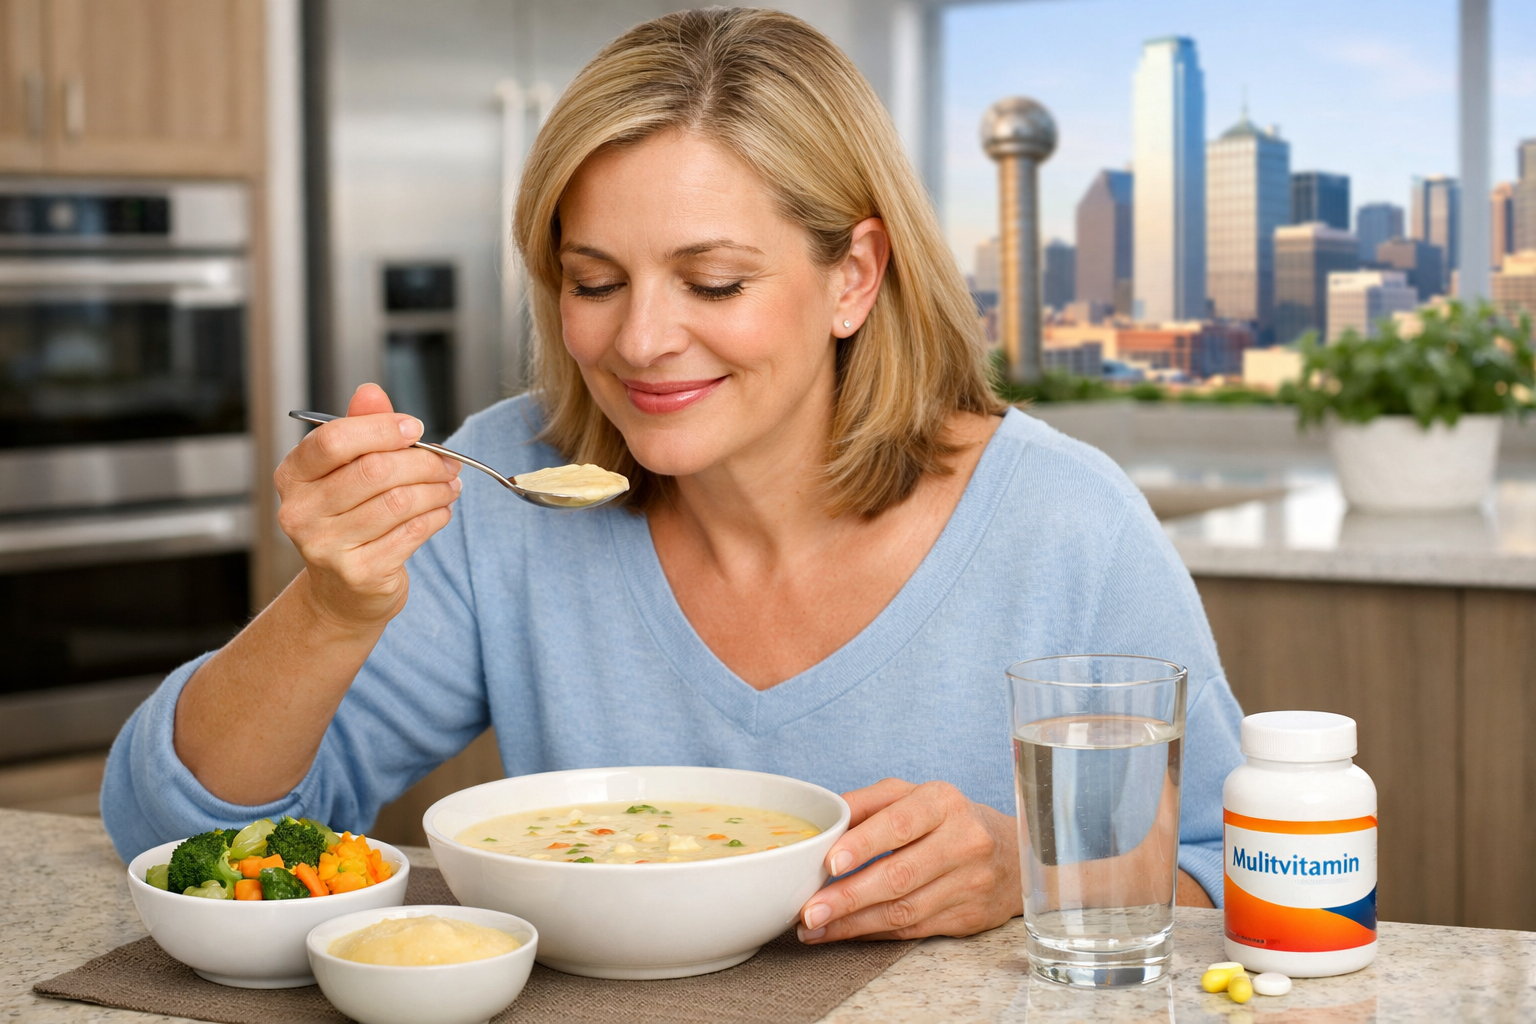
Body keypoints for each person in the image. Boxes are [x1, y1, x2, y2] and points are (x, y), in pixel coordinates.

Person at [103, 7, 1242, 943]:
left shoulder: (1064, 522)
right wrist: (331, 607)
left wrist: (1030, 874)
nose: (641, 341)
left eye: (711, 282)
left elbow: (1242, 878)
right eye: (594, 282)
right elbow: (178, 836)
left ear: (854, 274)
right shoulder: (503, 487)